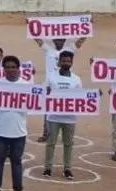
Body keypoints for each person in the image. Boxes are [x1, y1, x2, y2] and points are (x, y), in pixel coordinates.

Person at [0, 55, 31, 191]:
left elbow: (37, 102)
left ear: (18, 69)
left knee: (17, 163)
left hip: (19, 132)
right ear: (3, 69)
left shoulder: (27, 85)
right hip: (0, 131)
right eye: (8, 67)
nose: (11, 70)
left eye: (13, 67)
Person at [34, 35, 87, 142]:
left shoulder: (69, 50)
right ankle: (46, 133)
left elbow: (79, 43)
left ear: (64, 41)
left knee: (67, 108)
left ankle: (66, 133)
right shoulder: (48, 50)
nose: (59, 42)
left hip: (66, 83)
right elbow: (38, 41)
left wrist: (87, 30)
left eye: (61, 40)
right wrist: (31, 27)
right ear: (53, 41)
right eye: (57, 40)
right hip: (50, 84)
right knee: (47, 109)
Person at [43, 51, 81, 179]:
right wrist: (46, 92)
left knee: (68, 144)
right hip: (53, 116)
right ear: (59, 62)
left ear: (72, 62)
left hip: (70, 118)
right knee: (50, 143)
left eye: (68, 61)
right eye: (63, 61)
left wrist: (95, 95)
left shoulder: (76, 79)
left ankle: (67, 168)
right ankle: (48, 168)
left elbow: (81, 97)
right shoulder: (51, 76)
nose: (66, 63)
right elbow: (43, 92)